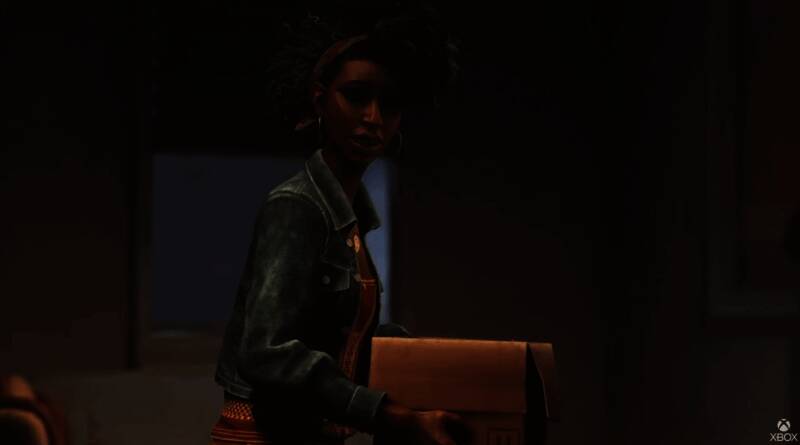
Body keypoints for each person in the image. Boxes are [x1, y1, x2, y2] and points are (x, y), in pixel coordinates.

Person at [210, 13, 467, 445]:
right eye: (356, 96)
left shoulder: (350, 221)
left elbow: (339, 339)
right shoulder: (297, 207)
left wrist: (419, 357)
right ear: (320, 100)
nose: (373, 117)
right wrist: (386, 414)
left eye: (389, 105)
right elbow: (266, 352)